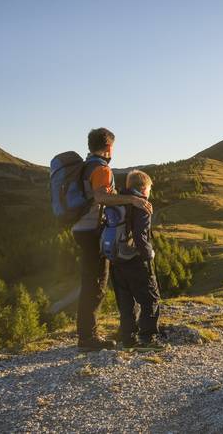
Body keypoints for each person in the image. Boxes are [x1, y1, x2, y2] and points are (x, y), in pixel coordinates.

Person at [72, 128, 152, 352]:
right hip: (92, 231)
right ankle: (88, 339)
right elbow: (101, 197)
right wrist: (132, 200)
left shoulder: (86, 166)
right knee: (95, 284)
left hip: (81, 228)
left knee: (92, 281)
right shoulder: (101, 168)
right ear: (109, 147)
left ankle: (89, 334)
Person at [109, 169, 163, 350]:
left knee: (126, 302)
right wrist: (149, 255)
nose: (149, 193)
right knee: (150, 298)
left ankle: (128, 339)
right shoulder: (142, 205)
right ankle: (148, 339)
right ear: (143, 188)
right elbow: (141, 236)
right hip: (135, 258)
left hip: (116, 259)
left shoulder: (116, 201)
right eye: (149, 189)